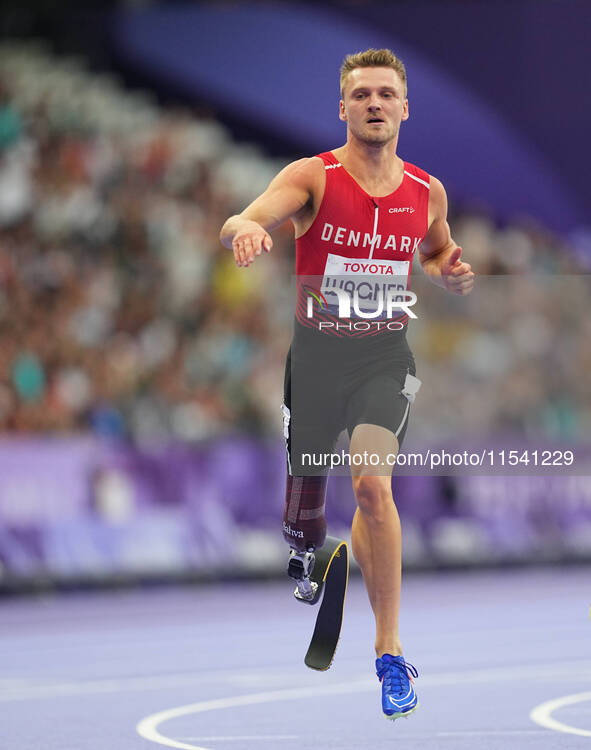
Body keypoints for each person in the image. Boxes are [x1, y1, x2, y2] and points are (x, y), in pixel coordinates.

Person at [220, 48, 474, 720]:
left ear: (403, 107)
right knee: (304, 526)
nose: (373, 103)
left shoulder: (427, 191)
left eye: (385, 94)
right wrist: (245, 229)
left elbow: (438, 244)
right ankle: (311, 551)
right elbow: (246, 215)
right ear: (342, 107)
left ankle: (389, 654)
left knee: (370, 486)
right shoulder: (312, 175)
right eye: (360, 94)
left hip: (385, 364)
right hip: (316, 363)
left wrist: (449, 267)